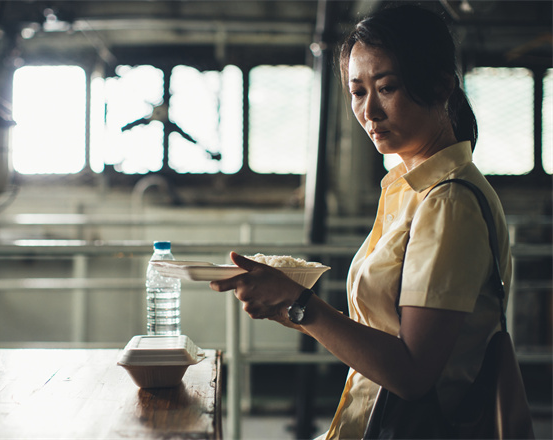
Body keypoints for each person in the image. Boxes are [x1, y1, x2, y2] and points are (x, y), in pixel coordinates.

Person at [209, 5, 512, 439]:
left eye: (386, 88)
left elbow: (411, 374)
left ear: (443, 85)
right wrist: (288, 303)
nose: (369, 111)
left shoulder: (448, 202)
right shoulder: (408, 187)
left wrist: (300, 305)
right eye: (357, 91)